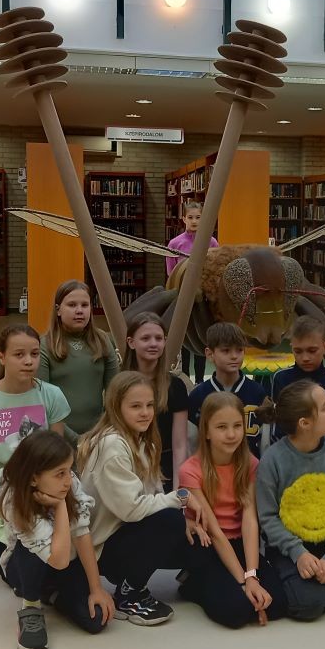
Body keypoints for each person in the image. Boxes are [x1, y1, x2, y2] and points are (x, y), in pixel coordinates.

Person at [78, 372, 203, 625]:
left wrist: (183, 516)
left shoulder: (144, 440)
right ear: (116, 407)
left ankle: (192, 581)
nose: (145, 413)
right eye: (135, 406)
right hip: (102, 546)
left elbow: (152, 496)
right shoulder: (112, 446)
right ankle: (129, 593)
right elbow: (132, 510)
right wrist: (180, 498)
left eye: (149, 405)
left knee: (196, 544)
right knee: (170, 521)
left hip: (126, 531)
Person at [0, 430, 114, 649]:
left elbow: (81, 534)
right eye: (60, 473)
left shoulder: (68, 483)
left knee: (96, 619)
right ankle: (31, 606)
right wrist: (61, 506)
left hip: (62, 560)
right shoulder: (16, 501)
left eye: (69, 470)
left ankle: (52, 595)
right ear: (33, 478)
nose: (68, 480)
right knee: (31, 551)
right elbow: (58, 560)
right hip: (26, 568)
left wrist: (96, 588)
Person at [0, 325, 71, 582]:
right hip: (2, 495)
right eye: (19, 354)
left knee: (57, 569)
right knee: (18, 579)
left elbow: (58, 458)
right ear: (1, 357)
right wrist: (4, 507)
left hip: (42, 490)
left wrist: (50, 498)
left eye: (34, 354)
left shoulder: (52, 395)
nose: (29, 361)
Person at [256, 380, 325, 622]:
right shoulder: (272, 460)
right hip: (291, 545)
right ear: (305, 423)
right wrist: (298, 554)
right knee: (308, 606)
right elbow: (268, 517)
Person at [178, 391, 288, 628]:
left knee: (278, 604)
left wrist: (252, 576)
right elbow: (214, 530)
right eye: (221, 427)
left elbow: (250, 520)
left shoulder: (251, 464)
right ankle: (193, 583)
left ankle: (233, 583)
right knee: (236, 612)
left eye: (237, 426)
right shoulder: (190, 470)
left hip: (240, 543)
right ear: (206, 431)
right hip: (209, 545)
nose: (231, 434)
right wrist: (243, 583)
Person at [38, 280, 119, 441]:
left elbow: (115, 393)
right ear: (58, 310)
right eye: (72, 305)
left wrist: (100, 433)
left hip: (99, 434)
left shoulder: (103, 340)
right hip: (58, 438)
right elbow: (42, 402)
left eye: (85, 305)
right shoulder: (44, 346)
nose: (79, 310)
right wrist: (76, 440)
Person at [121, 312, 188, 490]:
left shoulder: (176, 386)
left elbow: (179, 444)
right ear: (131, 342)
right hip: (129, 466)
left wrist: (178, 489)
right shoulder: (120, 384)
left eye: (158, 338)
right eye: (145, 338)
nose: (153, 344)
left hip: (166, 468)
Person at [188, 322, 272, 457]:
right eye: (226, 350)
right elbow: (192, 442)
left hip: (250, 467)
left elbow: (265, 442)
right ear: (210, 354)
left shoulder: (257, 392)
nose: (234, 356)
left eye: (239, 350)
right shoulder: (198, 395)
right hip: (210, 467)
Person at [272, 315, 325, 449]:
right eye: (298, 351)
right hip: (290, 453)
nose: (305, 357)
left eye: (312, 351)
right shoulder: (281, 378)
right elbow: (278, 427)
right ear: (292, 348)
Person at [166, 200, 217, 385]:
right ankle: (186, 378)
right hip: (182, 296)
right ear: (183, 219)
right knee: (185, 336)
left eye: (198, 217)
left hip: (204, 297)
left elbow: (214, 268)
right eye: (190, 217)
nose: (194, 221)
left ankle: (201, 380)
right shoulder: (175, 243)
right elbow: (171, 272)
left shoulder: (211, 241)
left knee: (202, 336)